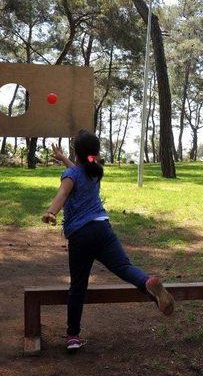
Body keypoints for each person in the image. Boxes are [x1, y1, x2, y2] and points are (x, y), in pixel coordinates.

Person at [42, 130, 174, 351]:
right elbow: (78, 170)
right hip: (102, 229)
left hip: (80, 235)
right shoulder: (95, 171)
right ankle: (147, 282)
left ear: (77, 152)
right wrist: (64, 158)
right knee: (123, 266)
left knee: (78, 286)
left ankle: (73, 336)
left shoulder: (70, 175)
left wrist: (51, 212)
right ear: (95, 152)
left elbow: (63, 193)